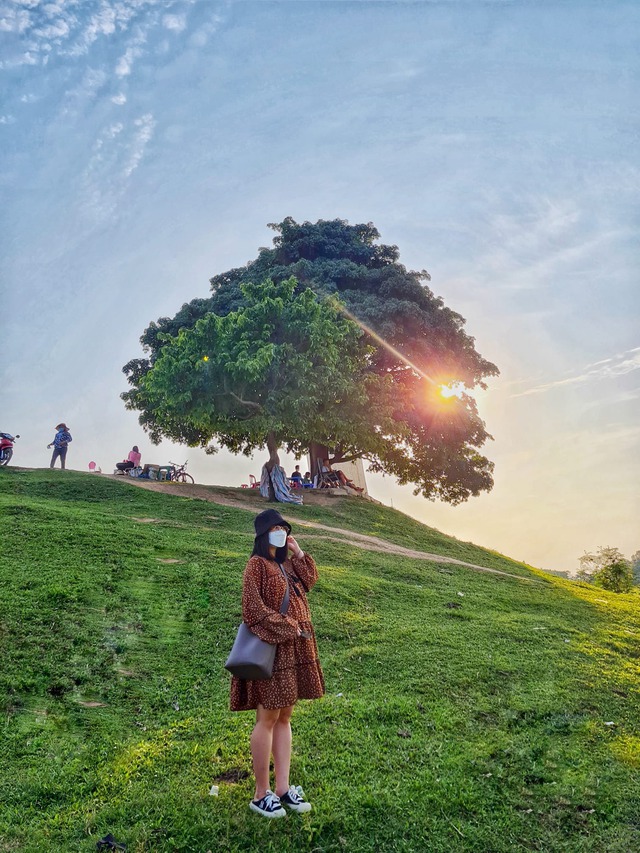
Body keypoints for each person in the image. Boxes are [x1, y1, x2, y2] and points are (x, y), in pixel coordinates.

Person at [230, 508, 324, 818]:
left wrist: (299, 553)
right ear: (263, 534)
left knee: (285, 717)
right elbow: (252, 610)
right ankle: (261, 794)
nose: (281, 532)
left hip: (295, 650)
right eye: (275, 528)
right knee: (267, 718)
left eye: (284, 528)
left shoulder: (286, 563)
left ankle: (282, 789)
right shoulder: (256, 565)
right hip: (273, 649)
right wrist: (287, 626)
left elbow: (310, 580)